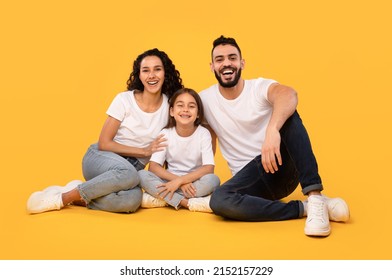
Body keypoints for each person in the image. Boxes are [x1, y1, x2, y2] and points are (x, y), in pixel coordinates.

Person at [199, 35, 350, 237]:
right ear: (212, 66)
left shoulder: (258, 87)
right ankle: (306, 208)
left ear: (241, 63)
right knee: (219, 200)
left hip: (280, 168)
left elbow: (289, 94)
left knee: (288, 114)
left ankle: (315, 195)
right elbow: (200, 137)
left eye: (232, 58)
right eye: (220, 59)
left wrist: (272, 131)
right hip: (249, 183)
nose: (226, 63)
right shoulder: (205, 100)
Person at [27, 48, 184, 214]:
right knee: (130, 174)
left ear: (165, 73)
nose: (152, 75)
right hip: (101, 158)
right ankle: (61, 198)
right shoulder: (124, 100)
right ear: (139, 75)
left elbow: (171, 145)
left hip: (129, 173)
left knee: (132, 201)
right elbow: (104, 142)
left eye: (157, 69)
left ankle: (80, 193)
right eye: (146, 70)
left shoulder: (170, 107)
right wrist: (143, 150)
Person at [138, 88, 220, 212]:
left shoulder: (203, 133)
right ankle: (186, 202)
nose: (185, 110)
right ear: (172, 111)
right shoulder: (165, 133)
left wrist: (181, 181)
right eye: (180, 105)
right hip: (169, 181)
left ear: (198, 113)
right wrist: (177, 182)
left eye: (191, 106)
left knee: (213, 180)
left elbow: (209, 168)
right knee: (141, 175)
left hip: (193, 183)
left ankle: (161, 200)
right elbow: (153, 167)